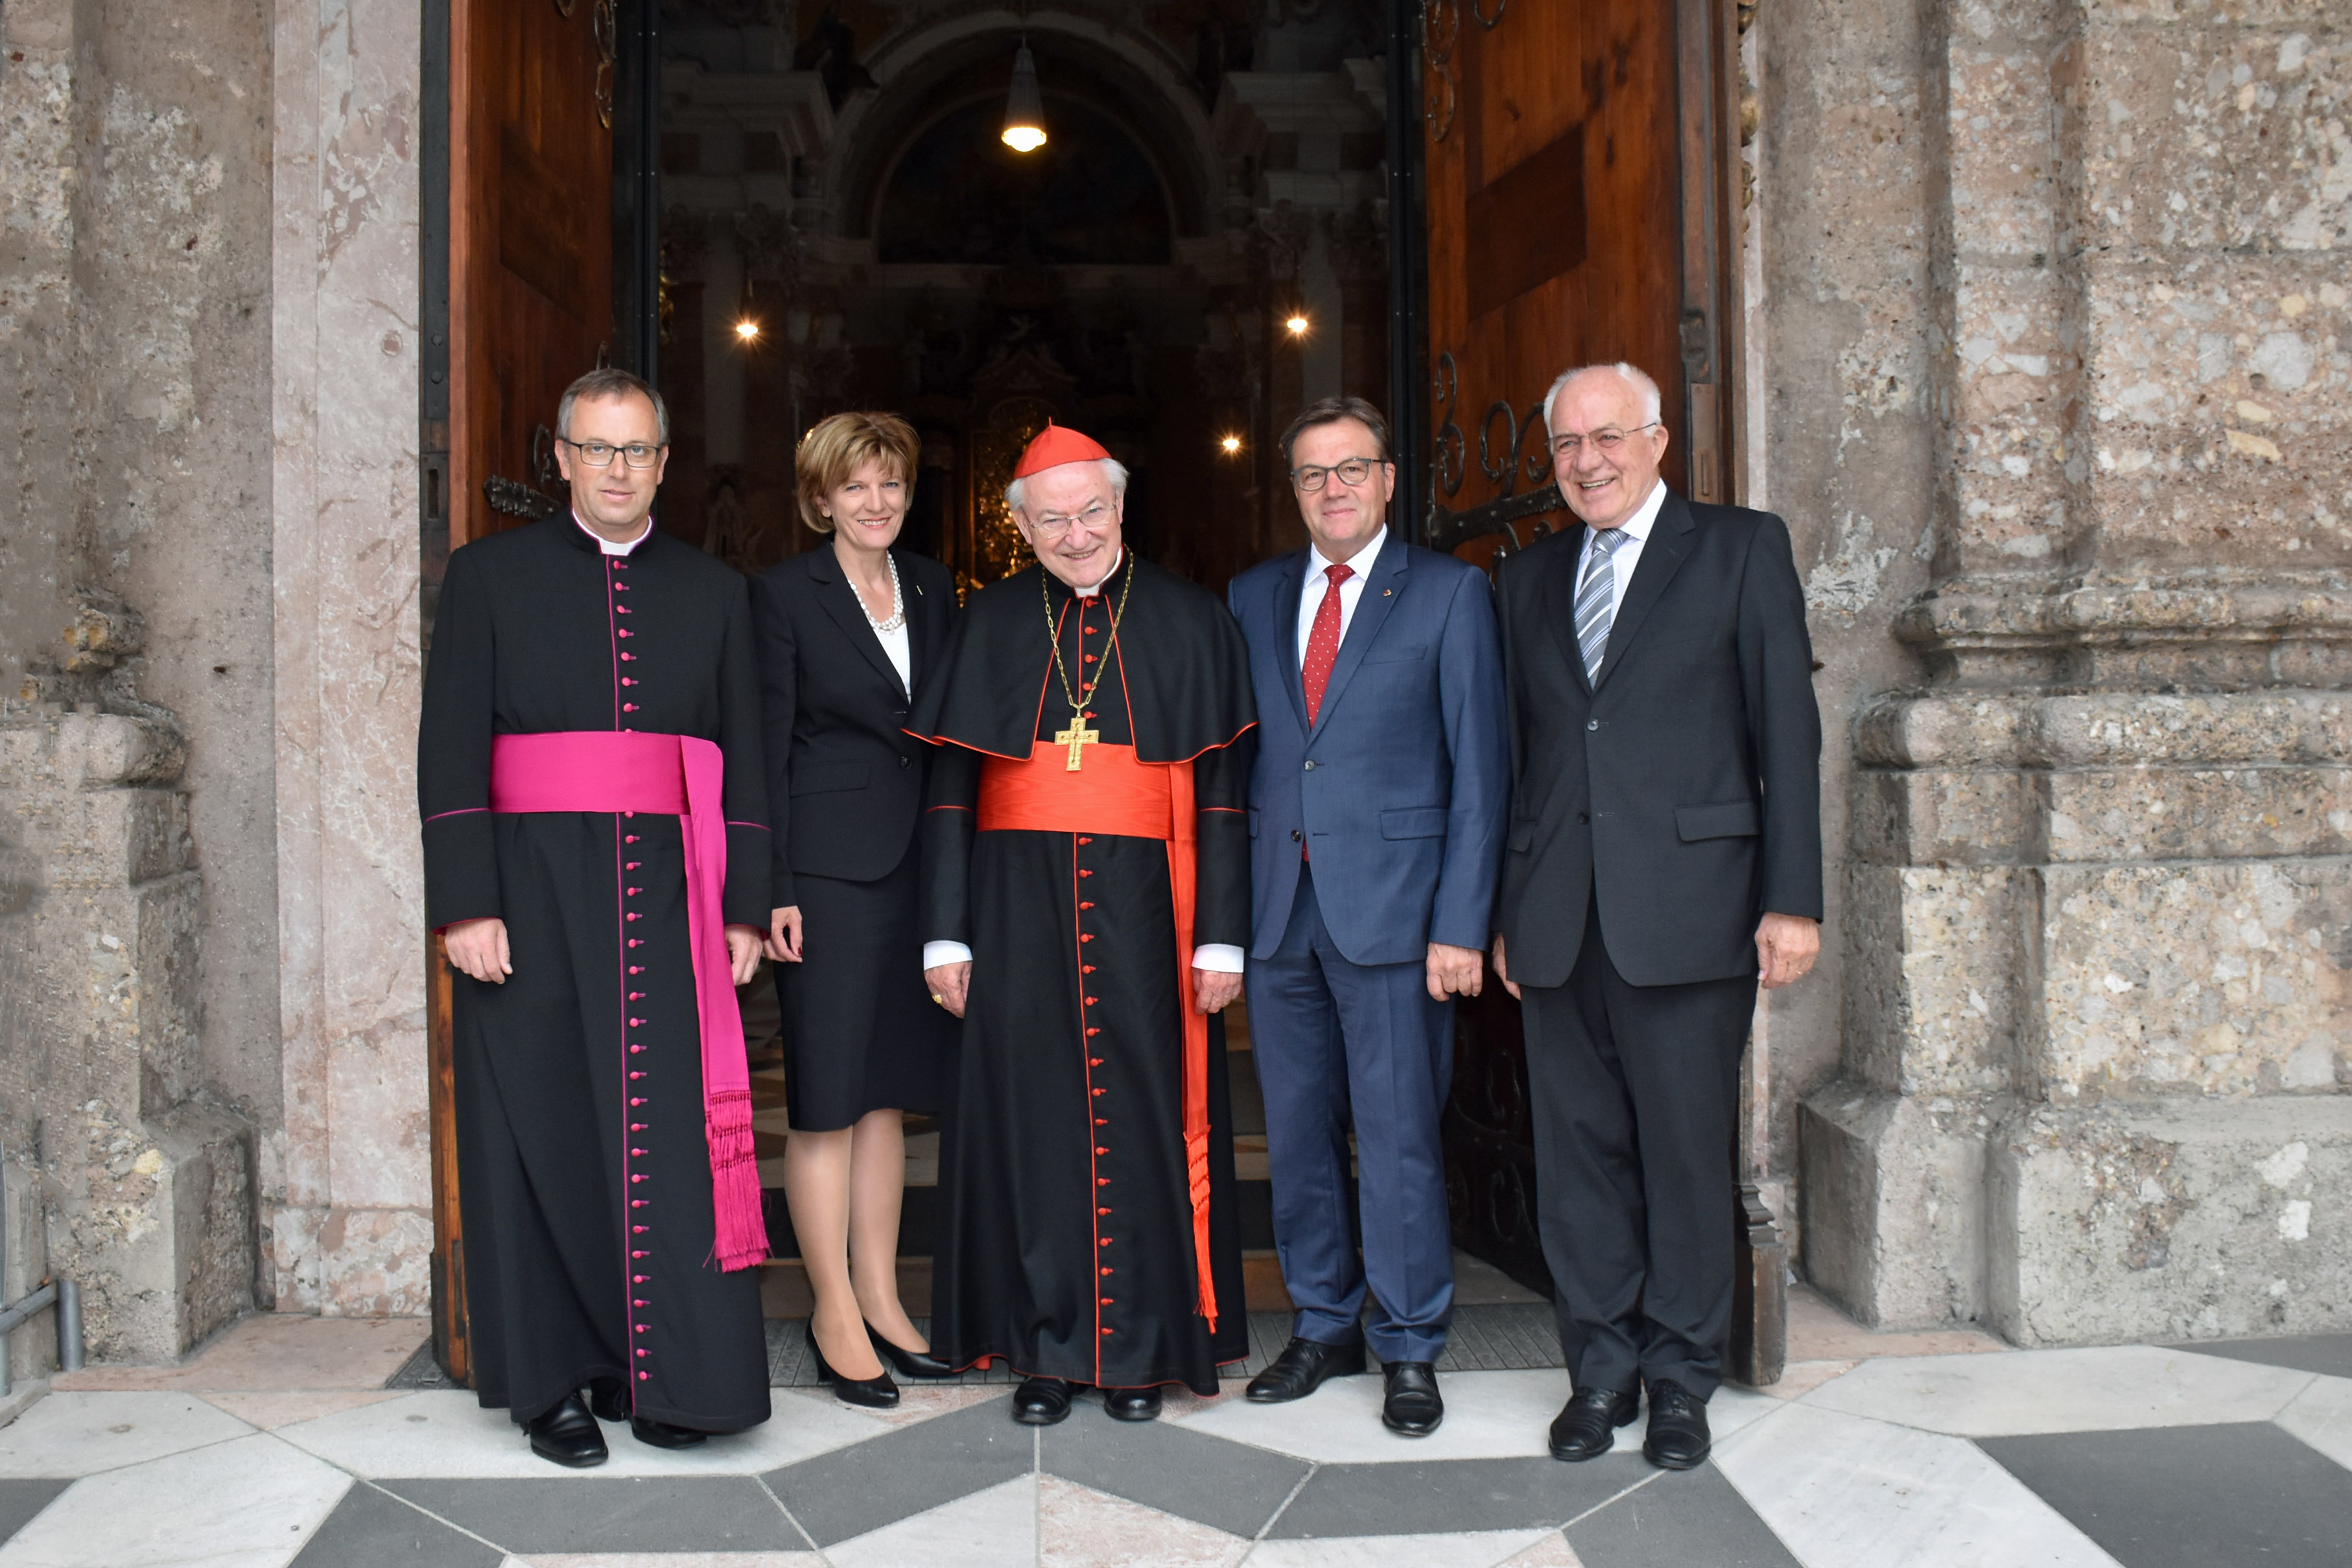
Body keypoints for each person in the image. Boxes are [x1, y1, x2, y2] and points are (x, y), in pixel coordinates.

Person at [417, 368, 773, 1468]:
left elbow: (745, 756)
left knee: (670, 1133)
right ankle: (555, 1386)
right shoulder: (486, 577)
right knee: (539, 1127)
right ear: (561, 459)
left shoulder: (716, 590)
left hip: (671, 893)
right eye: (597, 449)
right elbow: (449, 748)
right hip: (528, 895)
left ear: (665, 463)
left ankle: (674, 1375)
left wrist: (746, 905)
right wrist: (466, 903)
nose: (618, 471)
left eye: (638, 451)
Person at [1490, 362, 1822, 1471]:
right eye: (1568, 445)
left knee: (1683, 1155)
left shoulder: (1739, 548)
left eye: (1608, 438)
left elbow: (1789, 733)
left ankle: (1682, 1378)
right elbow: (1520, 759)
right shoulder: (1525, 577)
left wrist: (1792, 900)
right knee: (1578, 1158)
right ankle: (1600, 1372)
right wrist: (1504, 908)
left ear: (1658, 439)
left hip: (1694, 912)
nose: (1587, 461)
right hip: (1557, 918)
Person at [912, 422, 1256, 1426]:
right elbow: (947, 789)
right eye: (1051, 519)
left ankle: (1144, 1352)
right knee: (1033, 1119)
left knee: (1148, 1111)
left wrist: (1221, 935)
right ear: (1019, 525)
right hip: (1012, 905)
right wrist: (946, 932)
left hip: (1151, 904)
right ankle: (1044, 1351)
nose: (1075, 535)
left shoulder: (1192, 620)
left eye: (1091, 511)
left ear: (1121, 505)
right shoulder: (989, 622)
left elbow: (1226, 794)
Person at [1225, 397, 1509, 1437]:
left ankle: (1407, 1340)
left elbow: (1481, 773)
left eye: (1353, 469)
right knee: (1295, 1135)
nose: (1334, 488)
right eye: (1312, 473)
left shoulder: (1448, 594)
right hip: (1280, 915)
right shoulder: (1251, 597)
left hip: (1398, 919)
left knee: (1397, 1141)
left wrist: (1462, 925)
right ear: (1292, 489)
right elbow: (1248, 765)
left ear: (1390, 479)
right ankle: (1322, 1321)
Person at [751, 412, 958, 1409]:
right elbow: (766, 747)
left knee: (885, 1096)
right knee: (828, 1100)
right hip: (827, 879)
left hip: (919, 868)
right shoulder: (784, 596)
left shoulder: (930, 584)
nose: (876, 503)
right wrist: (774, 887)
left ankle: (881, 1297)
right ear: (821, 496)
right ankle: (832, 1309)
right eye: (856, 486)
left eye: (891, 484)